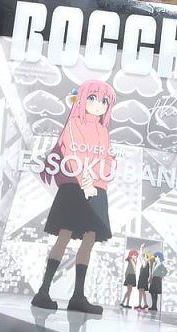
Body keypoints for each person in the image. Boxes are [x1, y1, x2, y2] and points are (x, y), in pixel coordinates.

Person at [31, 80, 117, 315]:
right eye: (93, 98)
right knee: (65, 235)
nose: (98, 105)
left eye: (104, 101)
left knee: (89, 239)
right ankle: (43, 291)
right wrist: (84, 182)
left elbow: (105, 160)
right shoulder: (73, 124)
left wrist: (105, 171)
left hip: (96, 189)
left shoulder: (103, 130)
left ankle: (78, 296)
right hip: (74, 188)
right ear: (82, 99)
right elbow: (70, 154)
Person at [135, 243, 154, 310]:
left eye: (145, 255)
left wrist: (141, 247)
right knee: (142, 291)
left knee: (141, 291)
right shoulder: (147, 263)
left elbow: (140, 255)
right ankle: (144, 304)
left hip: (142, 278)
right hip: (143, 278)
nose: (144, 256)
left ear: (147, 257)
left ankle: (141, 304)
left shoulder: (145, 262)